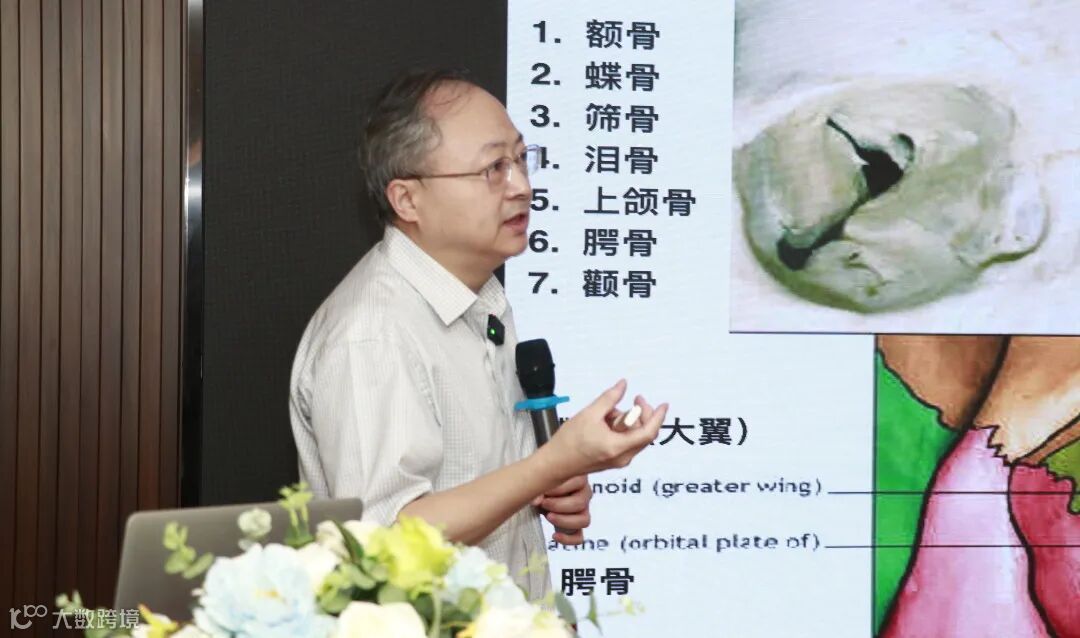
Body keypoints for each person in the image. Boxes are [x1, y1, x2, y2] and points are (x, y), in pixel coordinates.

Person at [288, 68, 668, 599]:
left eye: (521, 159)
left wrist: (551, 482)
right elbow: (385, 541)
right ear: (407, 200)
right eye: (493, 168)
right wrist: (552, 463)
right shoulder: (373, 333)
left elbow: (479, 486)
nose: (522, 186)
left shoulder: (478, 301)